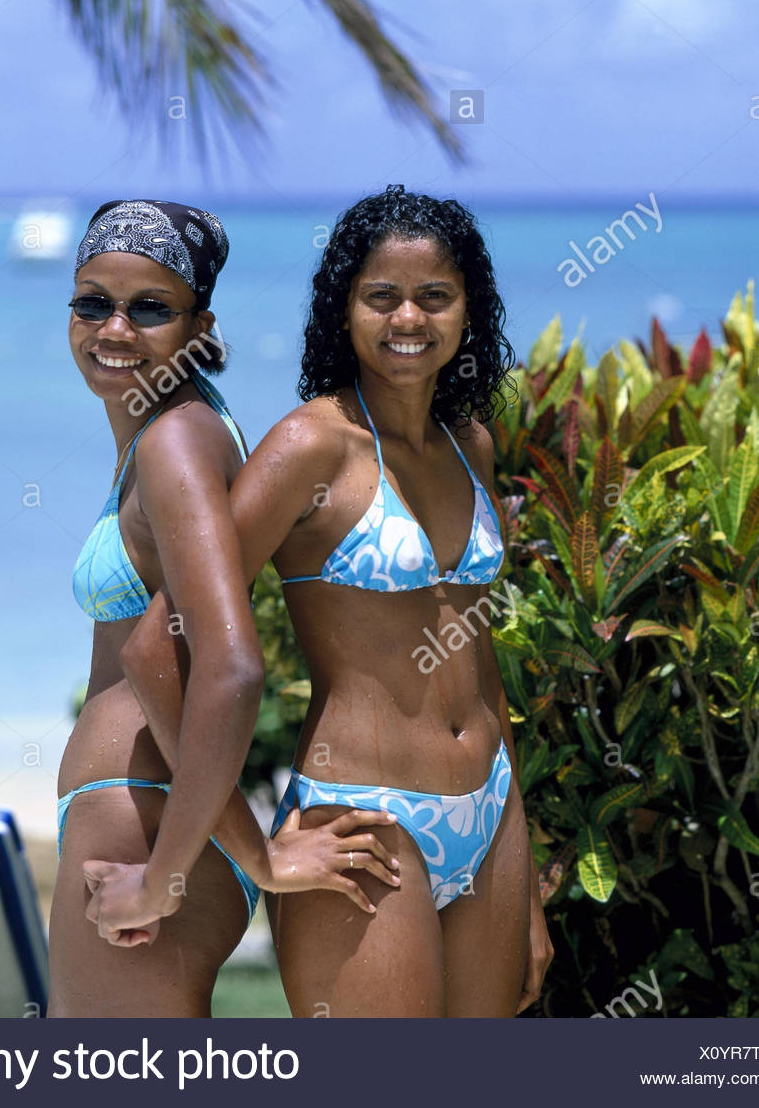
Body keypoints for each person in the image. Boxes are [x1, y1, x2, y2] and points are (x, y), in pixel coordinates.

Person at [95, 184, 553, 1016]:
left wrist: (523, 883)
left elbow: (477, 661)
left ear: (468, 311)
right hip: (363, 824)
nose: (407, 319)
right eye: (380, 297)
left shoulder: (471, 443)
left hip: (490, 815)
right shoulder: (310, 446)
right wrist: (250, 851)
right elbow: (159, 651)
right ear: (343, 311)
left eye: (434, 298)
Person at [50, 198, 399, 1018]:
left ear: (196, 322)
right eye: (92, 302)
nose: (113, 329)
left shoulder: (176, 440)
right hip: (158, 818)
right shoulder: (173, 429)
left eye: (149, 309)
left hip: (147, 825)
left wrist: (189, 868)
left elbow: (230, 665)